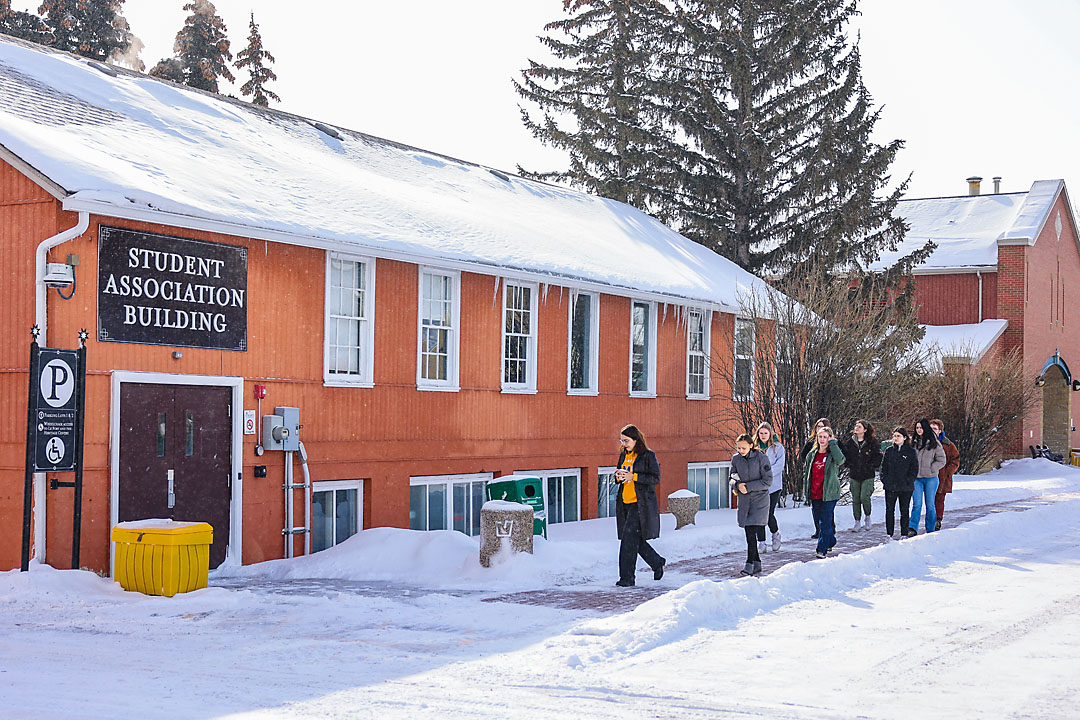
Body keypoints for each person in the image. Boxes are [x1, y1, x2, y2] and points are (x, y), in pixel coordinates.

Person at [613, 424, 666, 587]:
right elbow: (620, 475)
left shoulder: (647, 456)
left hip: (640, 505)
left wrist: (634, 476)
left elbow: (655, 478)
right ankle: (657, 562)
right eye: (622, 440)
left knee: (628, 541)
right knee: (635, 540)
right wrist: (618, 476)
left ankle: (627, 578)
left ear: (636, 440)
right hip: (625, 503)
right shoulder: (623, 455)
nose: (624, 444)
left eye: (627, 440)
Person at [731, 432, 772, 576]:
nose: (741, 451)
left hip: (759, 501)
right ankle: (757, 563)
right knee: (748, 532)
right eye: (738, 448)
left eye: (743, 448)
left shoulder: (762, 458)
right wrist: (737, 485)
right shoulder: (736, 460)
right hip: (744, 501)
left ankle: (749, 563)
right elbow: (732, 477)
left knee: (751, 532)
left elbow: (767, 481)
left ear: (751, 445)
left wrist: (748, 486)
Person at [802, 426, 846, 558]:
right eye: (820, 436)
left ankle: (822, 549)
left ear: (830, 438)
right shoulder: (812, 454)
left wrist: (833, 444)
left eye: (825, 437)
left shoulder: (832, 453)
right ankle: (831, 540)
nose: (822, 439)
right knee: (818, 521)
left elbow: (841, 460)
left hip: (829, 493)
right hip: (815, 492)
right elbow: (807, 472)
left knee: (825, 521)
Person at [841, 420, 882, 532]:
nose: (857, 428)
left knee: (864, 497)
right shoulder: (850, 442)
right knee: (856, 498)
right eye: (856, 426)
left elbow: (878, 456)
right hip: (854, 474)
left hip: (867, 474)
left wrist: (872, 465)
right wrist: (849, 464)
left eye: (859, 427)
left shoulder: (872, 442)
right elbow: (845, 455)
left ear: (865, 430)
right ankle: (857, 521)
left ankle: (867, 517)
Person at [880, 426, 918, 538]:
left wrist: (908, 480)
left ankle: (904, 533)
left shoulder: (910, 452)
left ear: (905, 438)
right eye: (894, 436)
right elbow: (884, 467)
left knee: (904, 510)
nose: (895, 438)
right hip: (890, 486)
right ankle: (889, 534)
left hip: (905, 487)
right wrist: (885, 480)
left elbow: (914, 469)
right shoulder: (889, 451)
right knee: (889, 510)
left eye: (898, 436)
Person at [910, 418, 947, 535]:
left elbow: (942, 460)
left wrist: (932, 468)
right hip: (916, 478)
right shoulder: (913, 443)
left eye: (921, 427)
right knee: (917, 503)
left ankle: (930, 527)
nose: (919, 430)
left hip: (931, 478)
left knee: (930, 504)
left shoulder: (934, 443)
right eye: (917, 428)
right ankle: (912, 527)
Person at [755, 422, 785, 553]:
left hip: (773, 486)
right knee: (759, 514)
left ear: (770, 434)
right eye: (761, 433)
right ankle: (761, 542)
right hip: (758, 486)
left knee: (768, 513)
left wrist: (766, 473)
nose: (763, 436)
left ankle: (775, 534)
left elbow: (780, 465)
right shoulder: (754, 448)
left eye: (765, 433)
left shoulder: (777, 447)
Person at [801, 417, 831, 539]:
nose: (819, 429)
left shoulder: (832, 444)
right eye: (817, 427)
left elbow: (841, 458)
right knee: (816, 510)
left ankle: (828, 533)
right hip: (814, 482)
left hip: (827, 484)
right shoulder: (811, 444)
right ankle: (819, 530)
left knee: (827, 512)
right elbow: (804, 456)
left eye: (822, 426)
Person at [930, 418, 960, 531]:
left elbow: (956, 460)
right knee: (930, 499)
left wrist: (948, 472)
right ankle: (930, 519)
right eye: (931, 428)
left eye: (935, 429)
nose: (933, 431)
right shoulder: (926, 442)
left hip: (943, 477)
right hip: (929, 475)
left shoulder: (948, 445)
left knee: (939, 499)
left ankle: (938, 520)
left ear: (940, 430)